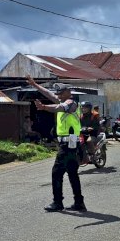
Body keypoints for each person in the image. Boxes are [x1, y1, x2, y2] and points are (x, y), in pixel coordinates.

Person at [27, 77, 87, 213]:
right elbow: (50, 95)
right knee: (72, 174)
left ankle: (57, 202)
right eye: (57, 93)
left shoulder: (72, 103)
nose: (58, 95)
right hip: (71, 144)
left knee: (56, 173)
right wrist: (35, 85)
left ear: (67, 92)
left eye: (60, 93)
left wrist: (44, 107)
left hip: (68, 145)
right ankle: (79, 202)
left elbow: (59, 107)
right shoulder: (64, 100)